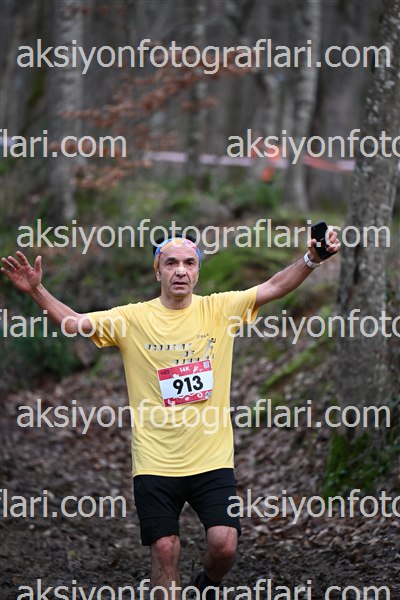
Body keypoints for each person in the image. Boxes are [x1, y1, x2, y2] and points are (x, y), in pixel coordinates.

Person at [1, 229, 339, 599]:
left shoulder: (220, 309)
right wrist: (37, 290)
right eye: (171, 263)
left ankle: (206, 585)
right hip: (156, 460)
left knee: (224, 546)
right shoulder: (132, 318)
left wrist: (312, 259)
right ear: (157, 271)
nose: (180, 270)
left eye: (189, 263)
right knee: (164, 549)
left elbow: (274, 286)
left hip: (211, 457)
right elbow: (75, 322)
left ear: (198, 271)